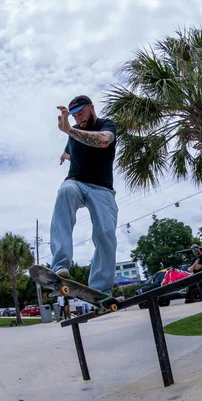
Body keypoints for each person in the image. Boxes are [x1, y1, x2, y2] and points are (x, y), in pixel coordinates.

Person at [50, 95, 118, 295]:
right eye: (74, 116)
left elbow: (105, 141)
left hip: (103, 189)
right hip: (76, 183)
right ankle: (60, 266)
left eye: (81, 112)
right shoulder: (74, 135)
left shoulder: (106, 125)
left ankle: (101, 290)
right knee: (65, 191)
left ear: (92, 108)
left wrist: (69, 130)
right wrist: (65, 155)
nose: (79, 118)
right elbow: (69, 151)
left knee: (105, 234)